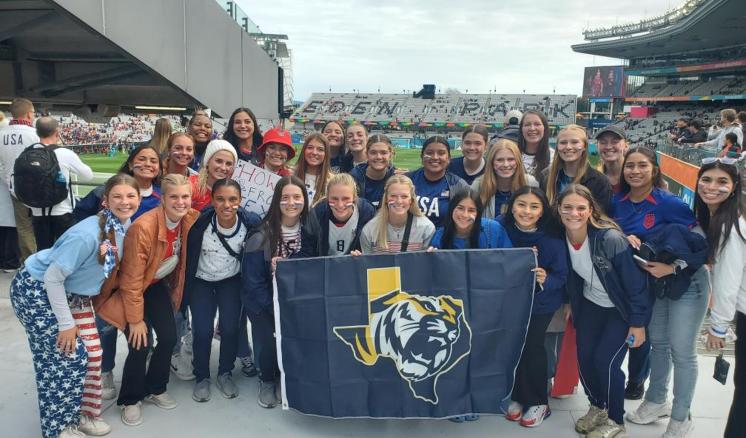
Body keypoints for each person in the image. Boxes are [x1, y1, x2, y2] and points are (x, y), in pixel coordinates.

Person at [11, 173, 141, 438]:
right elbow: (52, 278)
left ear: (140, 198)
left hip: (75, 294)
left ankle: (85, 414)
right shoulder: (87, 234)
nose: (124, 201)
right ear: (105, 200)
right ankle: (58, 427)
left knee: (93, 355)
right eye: (117, 196)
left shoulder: (124, 226)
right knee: (65, 360)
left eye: (131, 196)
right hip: (37, 290)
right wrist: (67, 324)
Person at [95, 174, 199, 426]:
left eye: (185, 196)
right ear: (162, 199)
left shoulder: (190, 218)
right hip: (134, 288)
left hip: (154, 285)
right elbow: (130, 281)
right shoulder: (143, 227)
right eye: (173, 197)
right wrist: (135, 320)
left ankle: (156, 387)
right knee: (139, 342)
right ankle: (130, 399)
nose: (180, 202)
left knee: (169, 337)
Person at [558, 184, 649, 438]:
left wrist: (638, 323)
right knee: (585, 359)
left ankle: (616, 419)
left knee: (606, 362)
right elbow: (570, 276)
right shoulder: (561, 236)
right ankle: (597, 406)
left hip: (620, 310)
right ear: (559, 209)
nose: (573, 213)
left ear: (590, 211)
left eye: (580, 208)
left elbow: (635, 285)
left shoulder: (609, 239)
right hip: (590, 305)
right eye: (567, 207)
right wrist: (569, 302)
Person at [611, 146, 699, 402]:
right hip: (620, 280)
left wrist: (673, 267)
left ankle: (637, 380)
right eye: (630, 166)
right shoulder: (616, 201)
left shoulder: (669, 203)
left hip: (653, 284)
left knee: (644, 334)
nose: (635, 171)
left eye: (642, 166)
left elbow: (695, 239)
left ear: (654, 170)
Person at [241, 175, 320, 408]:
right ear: (276, 201)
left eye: (297, 197)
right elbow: (253, 283)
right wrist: (274, 309)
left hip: (296, 299)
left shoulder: (311, 229)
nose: (291, 202)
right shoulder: (260, 235)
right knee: (269, 338)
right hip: (264, 301)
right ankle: (266, 379)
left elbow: (312, 267)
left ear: (305, 200)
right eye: (285, 197)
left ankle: (294, 375)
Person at [185, 178, 261, 402]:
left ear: (240, 201)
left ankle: (225, 372)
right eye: (220, 199)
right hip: (202, 281)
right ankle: (202, 377)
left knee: (230, 328)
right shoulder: (200, 223)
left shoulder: (250, 225)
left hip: (231, 280)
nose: (226, 205)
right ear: (212, 200)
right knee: (203, 330)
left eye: (232, 199)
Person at [500, 187, 568, 428]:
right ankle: (519, 396)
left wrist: (545, 279)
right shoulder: (501, 228)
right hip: (508, 301)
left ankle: (540, 401)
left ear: (542, 212)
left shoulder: (552, 238)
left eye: (534, 206)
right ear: (511, 207)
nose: (526, 211)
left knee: (532, 346)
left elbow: (562, 277)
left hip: (541, 303)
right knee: (514, 347)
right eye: (521, 204)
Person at [699, 158, 745, 438]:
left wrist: (718, 327)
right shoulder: (723, 219)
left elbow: (729, 282)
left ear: (734, 186)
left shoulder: (732, 225)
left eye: (722, 182)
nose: (712, 187)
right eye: (707, 179)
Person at [30, 116, 93, 250]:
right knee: (66, 251)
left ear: (37, 132)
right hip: (62, 211)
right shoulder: (65, 153)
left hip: (37, 213)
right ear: (57, 133)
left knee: (42, 252)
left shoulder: (27, 153)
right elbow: (88, 175)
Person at [74, 145, 162, 222]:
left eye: (153, 161)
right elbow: (80, 214)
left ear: (159, 168)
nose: (147, 164)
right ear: (130, 165)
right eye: (142, 159)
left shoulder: (164, 196)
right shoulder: (106, 190)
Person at [540, 124, 612, 213]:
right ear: (557, 146)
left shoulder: (599, 181)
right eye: (563, 143)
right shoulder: (546, 177)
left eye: (574, 142)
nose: (568, 147)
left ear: (584, 146)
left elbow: (600, 217)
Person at [0, 98, 38, 262]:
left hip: (15, 188)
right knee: (40, 224)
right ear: (29, 114)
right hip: (37, 188)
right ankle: (37, 261)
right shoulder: (35, 134)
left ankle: (29, 262)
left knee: (23, 227)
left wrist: (8, 179)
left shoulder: (1, 134)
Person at [359, 175, 435, 253]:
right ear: (386, 199)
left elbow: (426, 263)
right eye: (393, 196)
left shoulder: (426, 228)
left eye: (404, 196)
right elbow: (366, 263)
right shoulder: (370, 229)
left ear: (411, 200)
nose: (399, 201)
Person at [406, 136, 469, 227]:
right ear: (422, 156)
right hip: (411, 239)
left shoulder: (459, 185)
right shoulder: (408, 180)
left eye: (441, 153)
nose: (435, 157)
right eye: (429, 153)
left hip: (442, 239)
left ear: (448, 158)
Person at [471, 138, 538, 219]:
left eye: (511, 159)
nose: (506, 164)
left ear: (518, 161)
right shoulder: (479, 185)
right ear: (492, 163)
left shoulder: (530, 183)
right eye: (500, 160)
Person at [314, 173, 375, 255]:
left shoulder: (367, 212)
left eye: (346, 199)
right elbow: (309, 251)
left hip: (354, 265)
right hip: (324, 266)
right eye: (334, 198)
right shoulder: (317, 214)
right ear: (327, 197)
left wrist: (361, 256)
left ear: (354, 197)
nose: (340, 205)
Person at [430, 188, 512, 250]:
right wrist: (432, 257)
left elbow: (508, 259)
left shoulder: (493, 229)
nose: (465, 215)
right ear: (452, 209)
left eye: (471, 210)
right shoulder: (440, 236)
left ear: (478, 213)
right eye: (460, 208)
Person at [349, 134, 397, 208]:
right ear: (367, 154)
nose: (378, 157)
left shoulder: (396, 178)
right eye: (373, 153)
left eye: (383, 153)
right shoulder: (353, 178)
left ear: (390, 154)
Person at [190, 140, 237, 211]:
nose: (223, 168)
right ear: (208, 162)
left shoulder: (234, 192)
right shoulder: (190, 185)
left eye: (228, 164)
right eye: (218, 161)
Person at [294, 133, 331, 205]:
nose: (314, 152)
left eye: (320, 149)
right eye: (310, 147)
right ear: (304, 150)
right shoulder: (290, 174)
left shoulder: (333, 181)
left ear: (326, 154)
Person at [518, 110, 554, 179]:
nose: (532, 128)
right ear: (521, 129)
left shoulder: (554, 157)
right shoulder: (513, 154)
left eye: (537, 124)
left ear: (544, 128)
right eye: (527, 125)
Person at [595, 125, 629, 194]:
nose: (608, 147)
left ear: (626, 145)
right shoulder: (592, 178)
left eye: (615, 142)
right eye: (603, 142)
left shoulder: (635, 176)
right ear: (597, 146)